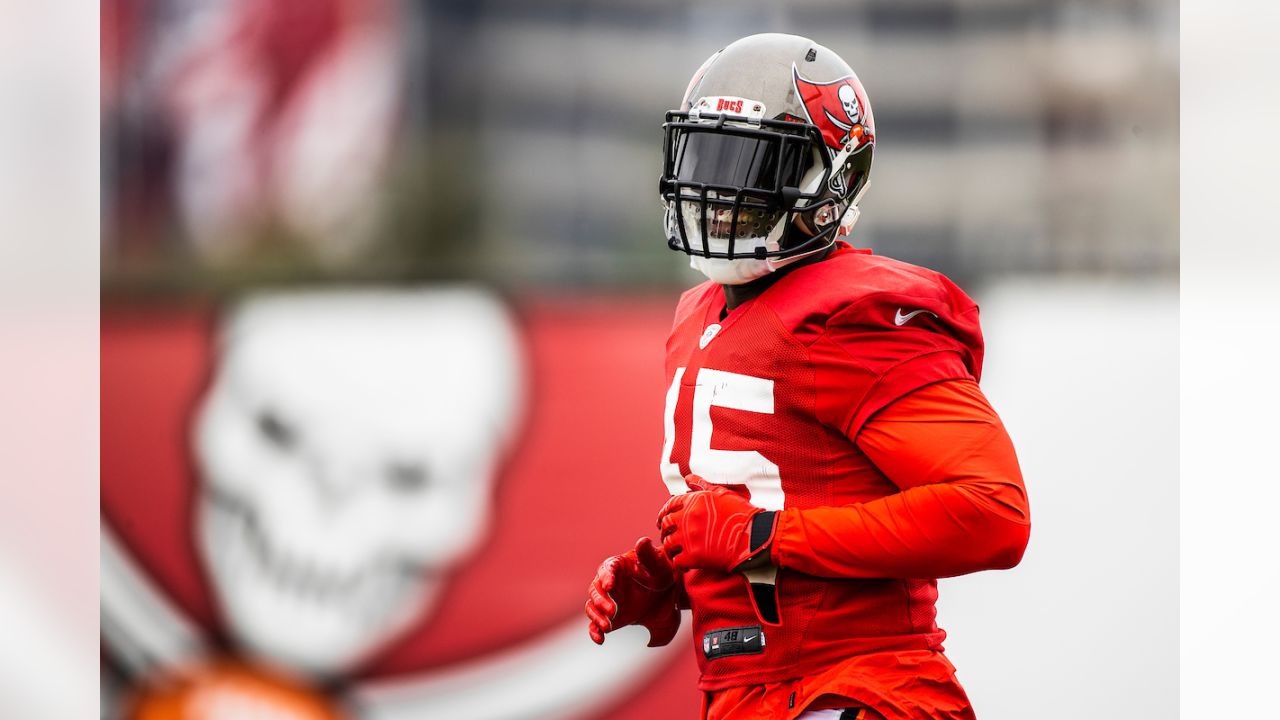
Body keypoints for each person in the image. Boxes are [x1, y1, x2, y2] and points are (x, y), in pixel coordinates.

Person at [584, 33, 1030, 720]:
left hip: (859, 688)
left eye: (756, 166)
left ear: (832, 182)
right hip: (752, 697)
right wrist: (674, 576)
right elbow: (770, 499)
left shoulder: (851, 314)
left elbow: (992, 512)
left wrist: (760, 537)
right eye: (709, 155)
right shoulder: (700, 315)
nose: (719, 190)